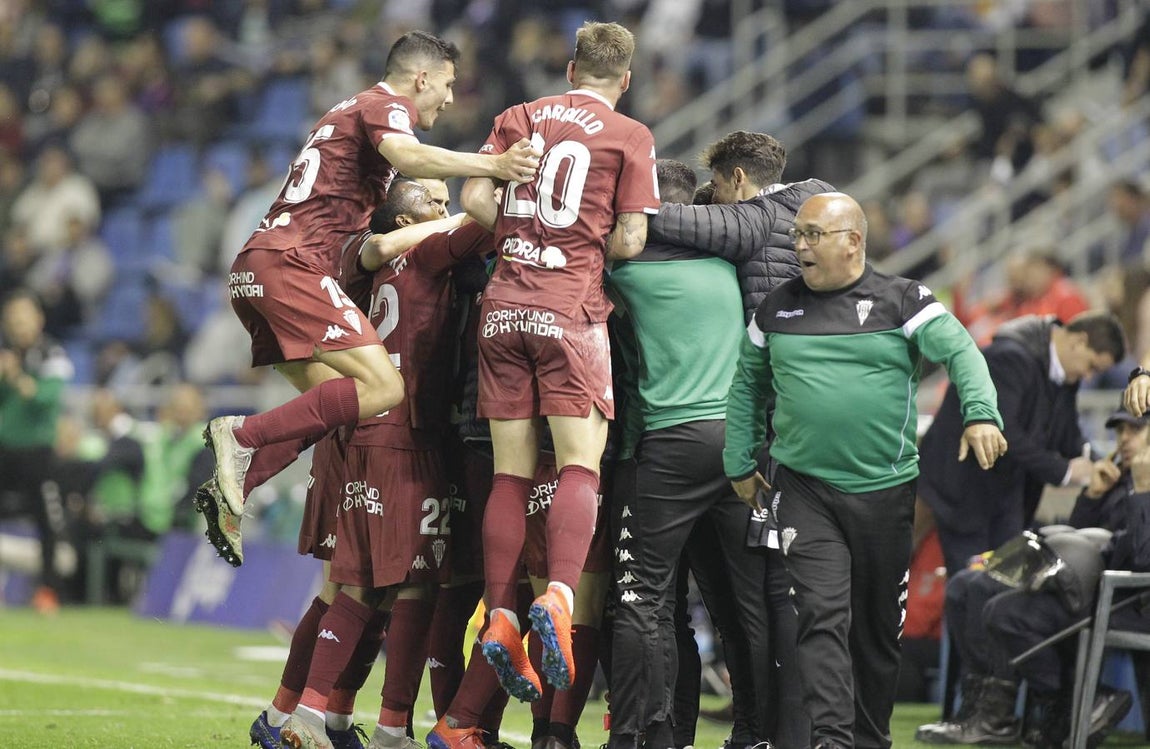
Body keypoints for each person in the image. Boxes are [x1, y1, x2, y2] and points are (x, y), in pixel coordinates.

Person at [194, 30, 541, 567]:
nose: (450, 99)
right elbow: (407, 156)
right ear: (421, 77)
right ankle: (240, 435)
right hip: (293, 264)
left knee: (333, 405)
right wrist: (491, 166)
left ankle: (237, 485)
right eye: (447, 85)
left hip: (255, 268)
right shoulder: (384, 105)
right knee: (382, 387)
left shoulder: (345, 109)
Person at [723, 192, 1008, 749]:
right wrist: (738, 459)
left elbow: (964, 353)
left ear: (853, 240)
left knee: (877, 634)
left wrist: (980, 413)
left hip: (886, 492)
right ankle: (833, 740)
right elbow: (747, 385)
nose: (799, 245)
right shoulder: (776, 308)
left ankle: (870, 739)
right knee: (821, 616)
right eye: (797, 234)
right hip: (803, 488)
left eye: (812, 235)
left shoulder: (903, 300)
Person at [454, 19, 658, 707]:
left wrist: (516, 232)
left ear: (571, 69)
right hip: (569, 310)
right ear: (623, 81)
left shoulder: (519, 116)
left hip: (503, 305)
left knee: (510, 472)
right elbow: (630, 238)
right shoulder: (631, 136)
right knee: (579, 463)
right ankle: (561, 599)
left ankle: (502, 610)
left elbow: (477, 197)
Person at [276, 179, 499, 749]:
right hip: (404, 433)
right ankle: (370, 724)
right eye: (433, 202)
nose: (446, 209)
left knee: (360, 585)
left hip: (361, 430)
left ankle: (306, 712)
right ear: (404, 222)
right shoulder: (425, 250)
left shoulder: (364, 264)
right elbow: (490, 218)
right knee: (404, 588)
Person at [645, 129, 833, 749]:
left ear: (740, 181)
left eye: (723, 190)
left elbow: (680, 223)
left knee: (757, 601)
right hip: (805, 426)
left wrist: (613, 205)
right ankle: (770, 732)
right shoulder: (820, 213)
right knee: (769, 597)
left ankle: (772, 733)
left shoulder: (751, 221)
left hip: (759, 435)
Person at [603, 158, 774, 749]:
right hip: (738, 447)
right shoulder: (731, 268)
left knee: (643, 600)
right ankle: (756, 733)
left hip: (669, 443)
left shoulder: (621, 273)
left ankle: (640, 737)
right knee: (742, 605)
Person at [915, 398, 1149, 748]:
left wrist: (1143, 492)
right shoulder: (1118, 481)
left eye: (1136, 429)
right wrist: (1092, 496)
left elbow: (1143, 559)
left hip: (1125, 599)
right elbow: (1078, 538)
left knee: (1004, 611)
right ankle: (989, 711)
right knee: (968, 586)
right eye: (1120, 431)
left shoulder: (1142, 484)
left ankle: (1067, 701)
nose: (1124, 439)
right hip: (1087, 587)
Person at [918, 310, 1126, 577]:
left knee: (1003, 586)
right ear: (1079, 342)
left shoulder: (1062, 374)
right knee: (968, 585)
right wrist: (1065, 471)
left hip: (1006, 495)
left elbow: (1067, 434)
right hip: (966, 492)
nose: (1089, 376)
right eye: (1092, 366)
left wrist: (1100, 462)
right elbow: (1004, 431)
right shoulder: (1010, 357)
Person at [0, 289, 74, 614]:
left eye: (24, 317)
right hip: (5, 448)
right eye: (13, 319)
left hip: (38, 453)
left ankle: (48, 590)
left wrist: (15, 376)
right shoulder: (6, 355)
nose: (19, 325)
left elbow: (45, 398)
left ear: (39, 319)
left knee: (47, 522)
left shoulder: (51, 354)